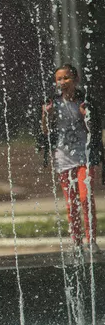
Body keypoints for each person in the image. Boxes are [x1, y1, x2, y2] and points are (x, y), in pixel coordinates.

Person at [41, 64, 104, 254]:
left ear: (75, 80)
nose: (62, 82)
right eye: (59, 79)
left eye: (66, 78)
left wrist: (86, 116)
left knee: (85, 198)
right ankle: (76, 242)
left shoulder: (84, 102)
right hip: (63, 158)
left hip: (84, 156)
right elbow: (45, 132)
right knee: (71, 203)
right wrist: (46, 115)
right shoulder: (52, 103)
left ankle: (91, 241)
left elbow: (94, 130)